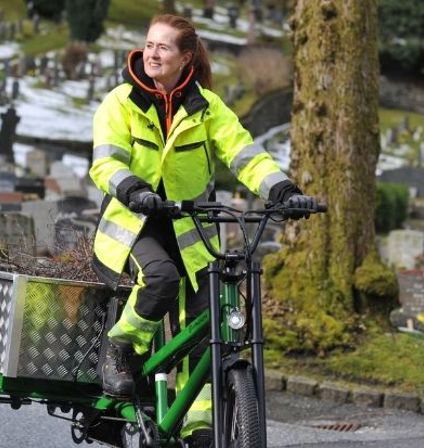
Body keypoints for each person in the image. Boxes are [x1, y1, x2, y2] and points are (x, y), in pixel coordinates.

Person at [88, 14, 315, 445]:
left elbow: (244, 153)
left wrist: (283, 190)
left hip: (190, 230)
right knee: (160, 278)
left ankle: (199, 428)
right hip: (133, 223)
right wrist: (133, 188)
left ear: (185, 57)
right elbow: (105, 163)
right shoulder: (120, 101)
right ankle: (119, 349)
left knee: (210, 323)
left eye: (164, 47)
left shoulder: (206, 107)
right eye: (149, 44)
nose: (152, 53)